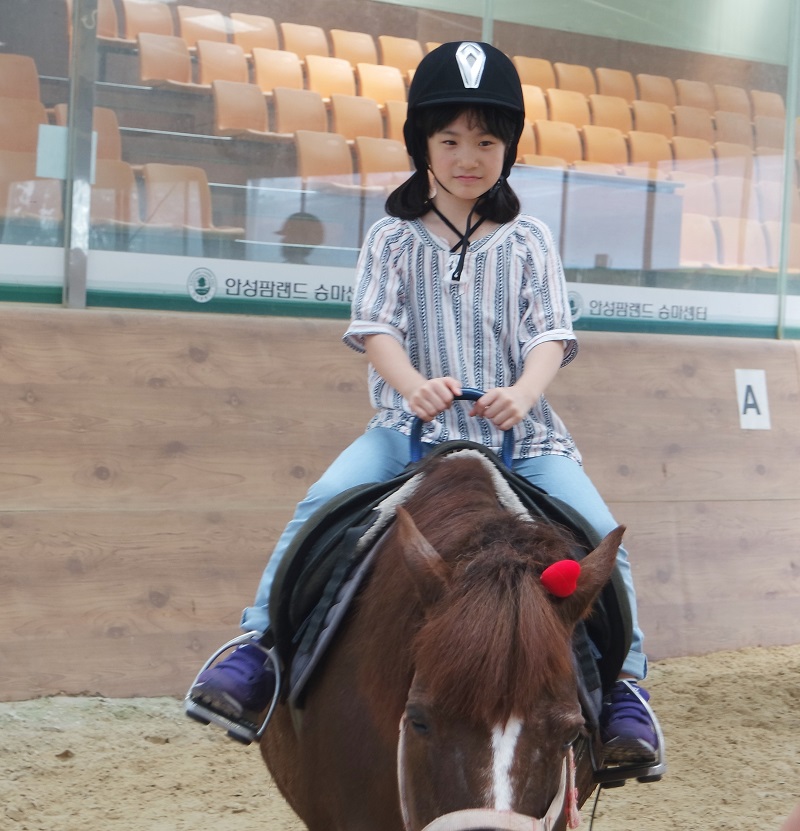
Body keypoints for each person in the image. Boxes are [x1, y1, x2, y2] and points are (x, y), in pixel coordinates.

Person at [187, 40, 660, 767]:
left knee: (600, 537)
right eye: (449, 140)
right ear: (423, 146)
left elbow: (549, 336)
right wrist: (411, 385)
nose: (467, 156)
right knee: (321, 502)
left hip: (523, 439)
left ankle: (627, 688)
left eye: (486, 141)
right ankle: (259, 650)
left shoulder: (531, 241)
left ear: (507, 148)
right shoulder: (391, 238)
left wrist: (524, 392)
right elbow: (375, 328)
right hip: (406, 430)